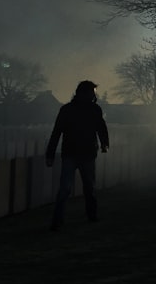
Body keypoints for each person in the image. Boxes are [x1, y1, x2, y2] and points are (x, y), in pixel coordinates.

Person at [45, 80, 110, 231]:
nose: (94, 96)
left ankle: (91, 215)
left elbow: (101, 128)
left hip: (85, 153)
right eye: (92, 93)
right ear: (83, 93)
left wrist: (104, 143)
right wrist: (50, 154)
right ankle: (58, 220)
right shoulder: (67, 110)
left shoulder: (94, 110)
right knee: (66, 189)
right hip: (72, 153)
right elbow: (57, 132)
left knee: (89, 187)